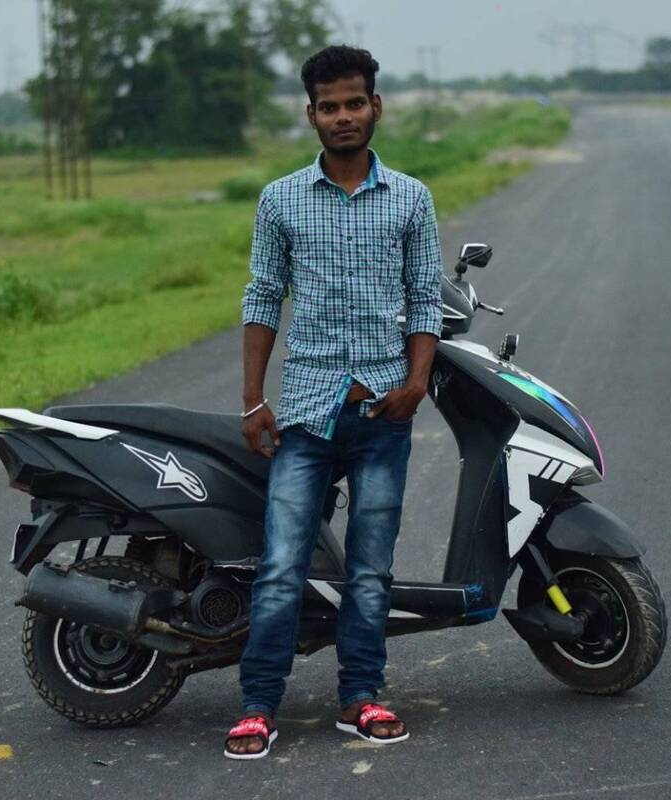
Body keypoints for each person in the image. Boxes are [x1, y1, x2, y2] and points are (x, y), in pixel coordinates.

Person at [224, 44, 443, 760]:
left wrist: (416, 383)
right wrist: (253, 400)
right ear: (311, 114)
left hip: (382, 413)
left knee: (370, 572)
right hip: (306, 414)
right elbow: (263, 298)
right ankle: (258, 706)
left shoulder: (410, 198)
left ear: (375, 106)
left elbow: (424, 299)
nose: (343, 116)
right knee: (282, 567)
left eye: (354, 103)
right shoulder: (281, 199)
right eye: (329, 106)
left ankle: (362, 698)